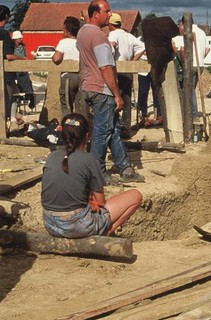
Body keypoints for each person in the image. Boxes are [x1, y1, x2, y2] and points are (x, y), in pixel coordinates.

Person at [41, 114, 142, 238]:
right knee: (135, 196)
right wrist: (92, 202)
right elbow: (101, 202)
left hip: (50, 224)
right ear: (87, 136)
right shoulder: (89, 159)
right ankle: (105, 233)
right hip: (76, 226)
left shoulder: (51, 157)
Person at [77, 0, 144, 183]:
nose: (109, 14)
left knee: (112, 127)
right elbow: (105, 66)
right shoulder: (98, 36)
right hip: (102, 88)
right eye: (106, 11)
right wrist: (116, 94)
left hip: (89, 86)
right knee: (102, 130)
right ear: (95, 13)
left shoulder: (83, 32)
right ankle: (97, 172)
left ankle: (124, 167)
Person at [0, 5, 27, 132]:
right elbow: (8, 56)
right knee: (8, 98)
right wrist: (23, 59)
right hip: (4, 72)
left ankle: (8, 123)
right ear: (7, 16)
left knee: (3, 98)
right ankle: (6, 125)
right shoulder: (3, 33)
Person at [107, 13, 145, 135]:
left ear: (110, 24)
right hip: (127, 70)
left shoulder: (113, 34)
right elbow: (143, 47)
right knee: (127, 100)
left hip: (116, 70)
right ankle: (126, 128)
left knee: (114, 99)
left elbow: (111, 46)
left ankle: (115, 127)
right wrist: (133, 61)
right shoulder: (128, 36)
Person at [172, 16, 209, 116]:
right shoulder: (202, 32)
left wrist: (184, 63)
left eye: (180, 25)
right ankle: (191, 110)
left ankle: (193, 112)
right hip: (200, 65)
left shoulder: (188, 32)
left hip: (191, 64)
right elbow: (207, 50)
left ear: (184, 24)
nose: (180, 28)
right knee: (191, 88)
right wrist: (201, 58)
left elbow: (183, 50)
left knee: (189, 89)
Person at [53, 16, 81, 117]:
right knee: (80, 105)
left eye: (64, 29)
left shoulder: (63, 42)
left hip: (68, 77)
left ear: (68, 31)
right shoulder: (81, 42)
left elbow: (56, 59)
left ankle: (68, 127)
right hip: (81, 76)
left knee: (66, 105)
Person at [12, 30, 35, 112]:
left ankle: (31, 98)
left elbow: (25, 56)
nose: (21, 39)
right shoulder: (12, 48)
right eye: (19, 38)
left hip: (23, 69)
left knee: (28, 83)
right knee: (18, 85)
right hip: (15, 69)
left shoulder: (22, 48)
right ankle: (18, 101)